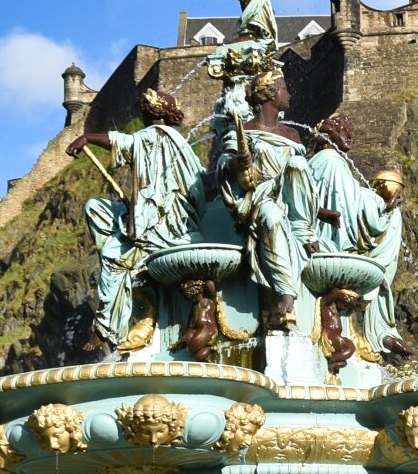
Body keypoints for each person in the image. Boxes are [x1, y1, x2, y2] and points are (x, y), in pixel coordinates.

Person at [66, 90, 203, 354]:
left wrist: (87, 137)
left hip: (164, 224)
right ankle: (127, 237)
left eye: (143, 110)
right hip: (152, 215)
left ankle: (106, 328)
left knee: (113, 257)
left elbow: (123, 142)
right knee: (96, 208)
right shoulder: (178, 141)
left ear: (150, 112)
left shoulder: (153, 137)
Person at [306, 114, 413, 361]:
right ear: (329, 133)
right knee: (387, 221)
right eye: (345, 131)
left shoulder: (331, 163)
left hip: (333, 237)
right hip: (330, 239)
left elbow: (352, 197)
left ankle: (382, 329)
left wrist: (383, 206)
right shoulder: (330, 161)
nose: (350, 137)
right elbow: (347, 205)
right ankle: (378, 331)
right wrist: (380, 205)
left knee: (392, 218)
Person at [216, 71, 315, 328]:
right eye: (284, 89)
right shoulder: (244, 132)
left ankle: (303, 231)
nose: (290, 95)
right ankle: (286, 291)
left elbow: (304, 180)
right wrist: (236, 163)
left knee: (296, 163)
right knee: (272, 216)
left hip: (291, 199)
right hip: (260, 197)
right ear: (271, 95)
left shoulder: (292, 135)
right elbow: (224, 164)